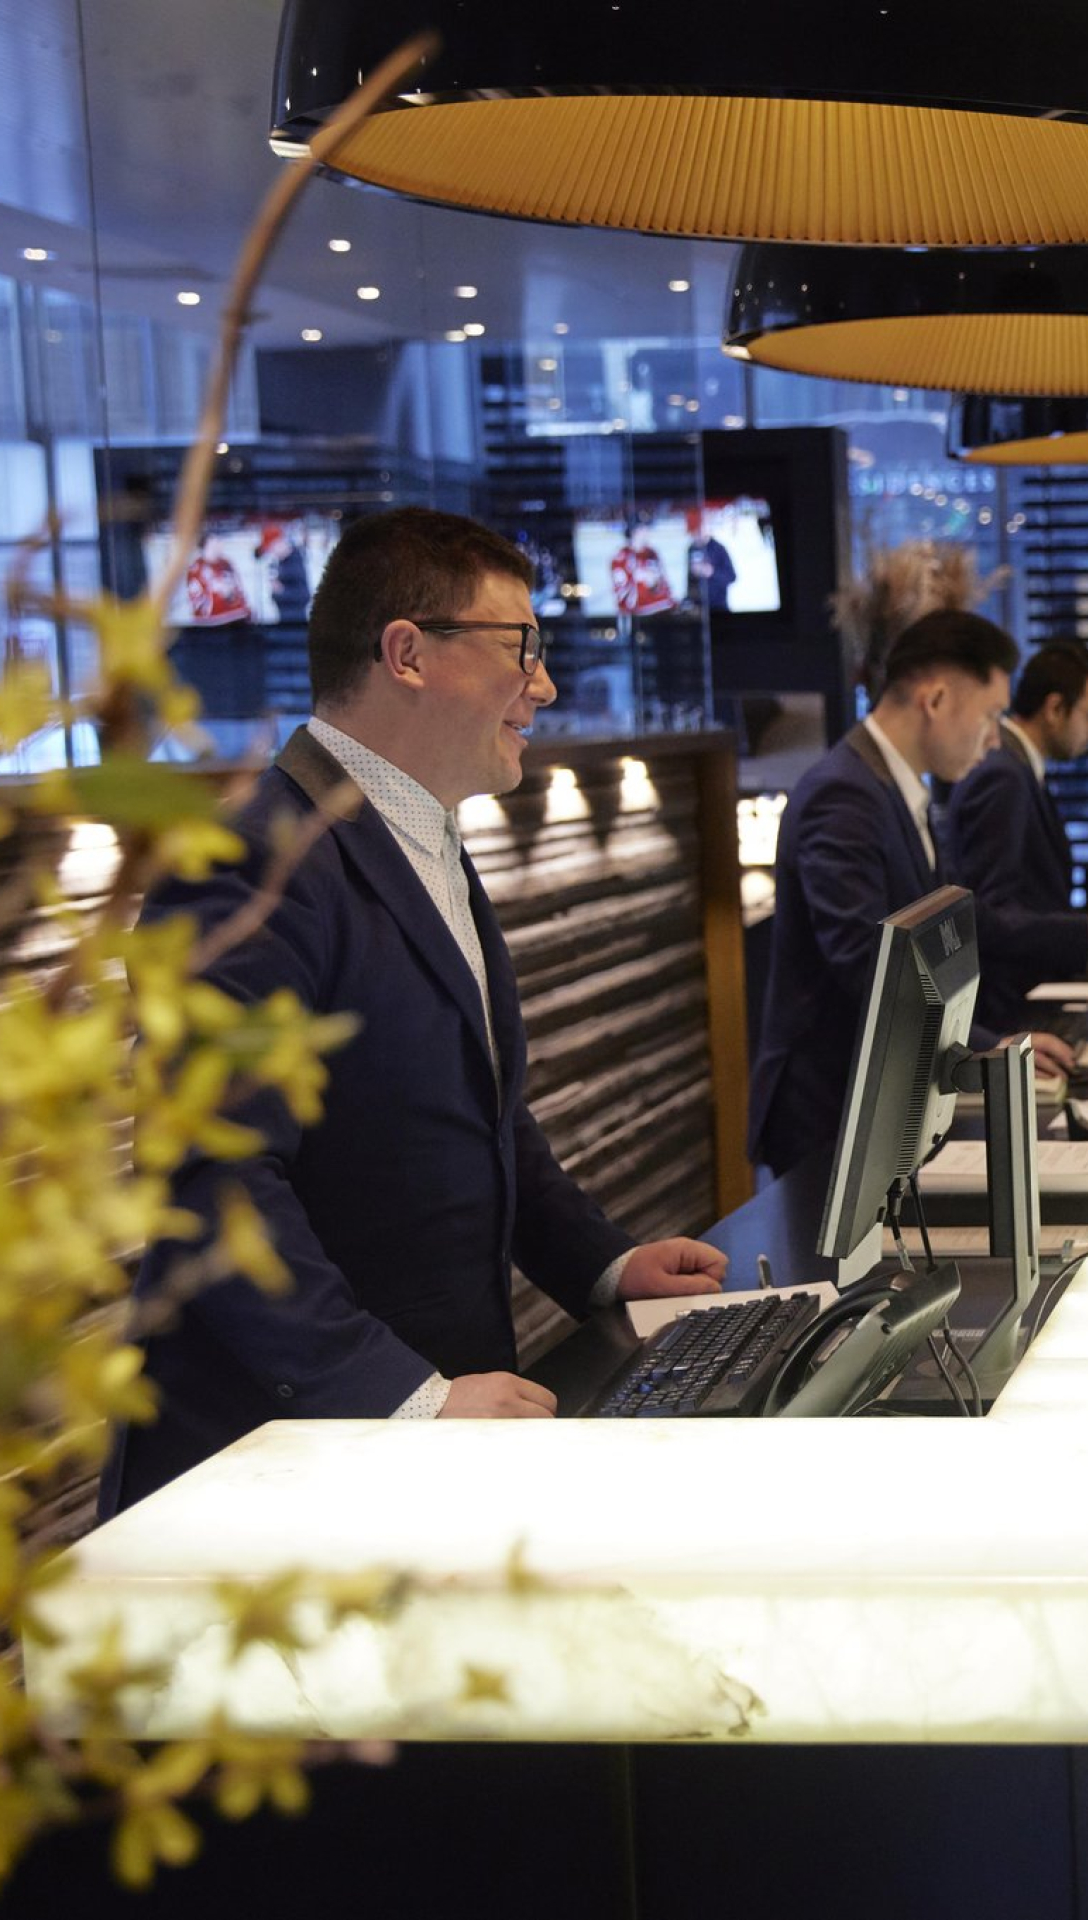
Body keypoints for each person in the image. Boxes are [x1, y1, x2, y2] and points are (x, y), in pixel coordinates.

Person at [102, 507, 728, 1515]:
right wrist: (401, 1400)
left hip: (415, 1462)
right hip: (270, 1483)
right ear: (407, 653)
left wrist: (606, 1265)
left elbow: (481, 1116)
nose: (545, 684)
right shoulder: (247, 863)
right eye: (520, 647)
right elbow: (212, 1183)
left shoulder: (422, 834)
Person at [747, 608, 1073, 1179]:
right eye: (990, 715)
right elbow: (868, 962)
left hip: (875, 1103)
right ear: (937, 698)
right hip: (830, 1112)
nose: (994, 738)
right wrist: (981, 1046)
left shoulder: (892, 788)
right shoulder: (843, 797)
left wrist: (991, 1041)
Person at [941, 638, 1088, 1034]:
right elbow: (987, 913)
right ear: (1055, 709)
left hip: (1027, 998)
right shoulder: (1004, 775)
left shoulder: (1020, 769)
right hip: (1007, 1012)